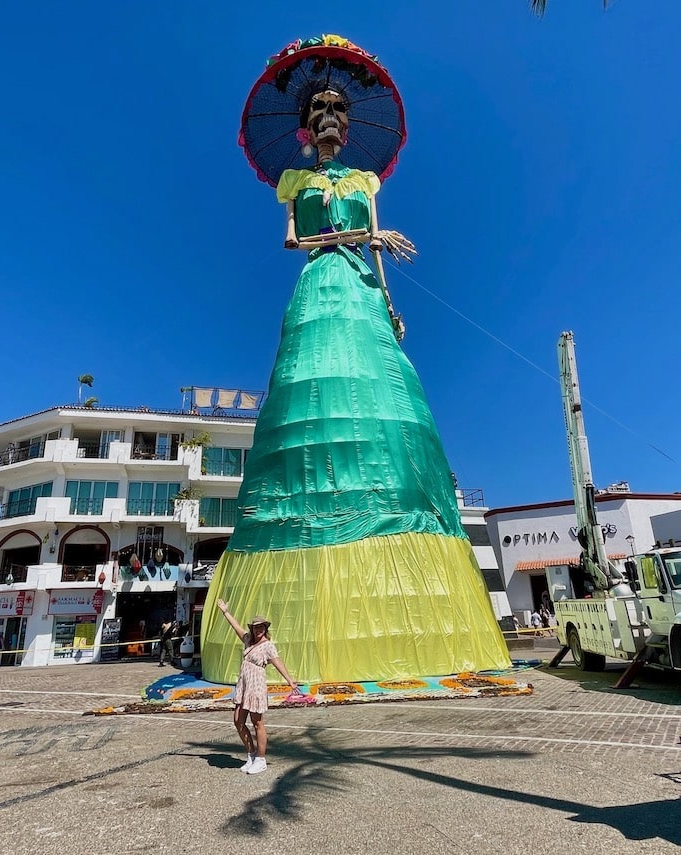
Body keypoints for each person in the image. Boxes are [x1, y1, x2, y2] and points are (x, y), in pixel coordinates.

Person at [202, 35, 510, 686]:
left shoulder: (367, 180)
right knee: (305, 409)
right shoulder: (295, 180)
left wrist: (391, 302)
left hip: (365, 294)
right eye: (320, 111)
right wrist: (364, 234)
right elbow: (293, 240)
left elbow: (376, 252)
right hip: (319, 284)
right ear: (306, 125)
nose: (330, 120)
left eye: (338, 110)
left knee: (392, 415)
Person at [215, 599, 298, 775]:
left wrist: (290, 680)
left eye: (261, 627)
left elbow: (277, 663)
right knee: (238, 720)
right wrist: (225, 612)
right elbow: (235, 627)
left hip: (256, 685)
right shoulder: (247, 640)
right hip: (244, 685)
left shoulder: (268, 646)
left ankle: (261, 759)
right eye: (255, 627)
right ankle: (251, 754)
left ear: (265, 629)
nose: (258, 630)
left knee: (257, 722)